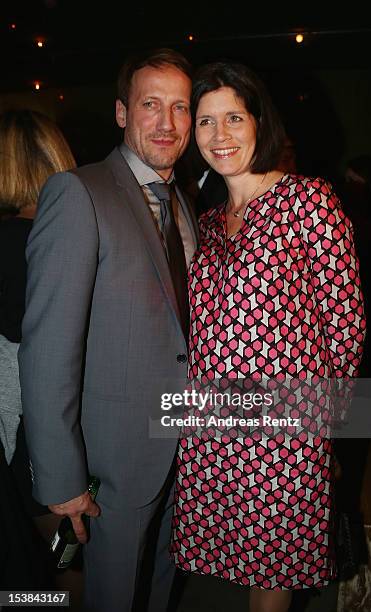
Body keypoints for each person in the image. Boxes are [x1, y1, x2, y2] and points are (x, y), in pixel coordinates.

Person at [170, 62, 366, 612]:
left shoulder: (309, 201)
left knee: (272, 572)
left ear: (260, 120)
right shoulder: (206, 221)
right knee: (231, 563)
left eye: (234, 117)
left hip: (285, 428)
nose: (219, 135)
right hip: (213, 420)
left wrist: (328, 430)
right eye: (205, 122)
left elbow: (345, 325)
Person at [19, 48, 198, 612]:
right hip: (112, 462)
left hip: (184, 449)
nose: (167, 123)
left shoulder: (186, 204)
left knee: (160, 588)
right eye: (151, 105)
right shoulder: (79, 193)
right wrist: (60, 475)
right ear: (122, 113)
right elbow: (48, 349)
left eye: (180, 107)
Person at [0, 108, 76, 589]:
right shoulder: (46, 242)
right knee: (65, 556)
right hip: (38, 427)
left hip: (16, 427)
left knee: (31, 565)